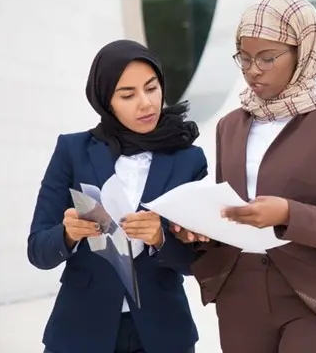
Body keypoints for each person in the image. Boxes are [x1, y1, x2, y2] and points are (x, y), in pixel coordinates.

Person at [172, 0, 316, 353]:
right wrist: (198, 229)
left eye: (267, 58)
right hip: (241, 294)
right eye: (245, 58)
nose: (253, 70)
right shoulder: (231, 125)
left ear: (303, 52)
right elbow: (230, 210)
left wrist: (287, 213)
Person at [27, 40, 207, 353]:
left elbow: (200, 261)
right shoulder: (72, 152)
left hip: (163, 333)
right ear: (106, 101)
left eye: (152, 88)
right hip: (80, 331)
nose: (146, 103)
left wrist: (161, 239)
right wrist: (67, 235)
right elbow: (38, 250)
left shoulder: (189, 160)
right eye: (128, 95)